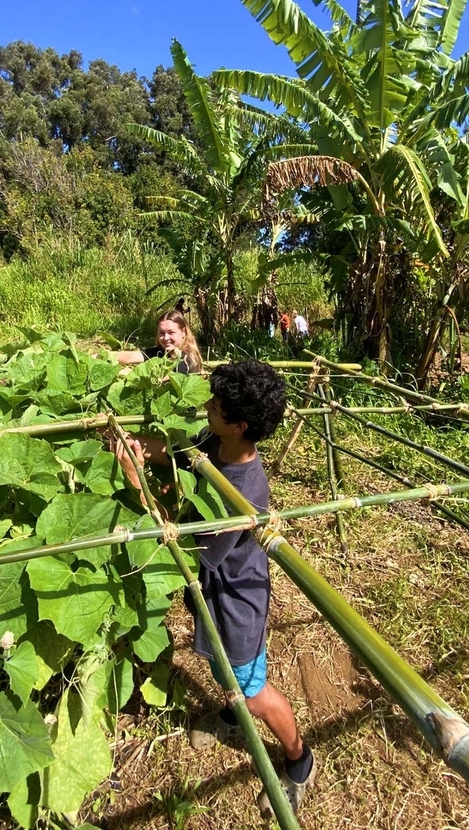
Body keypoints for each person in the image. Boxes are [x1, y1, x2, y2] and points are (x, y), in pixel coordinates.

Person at [112, 360, 316, 815]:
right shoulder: (217, 443)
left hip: (236, 601)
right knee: (228, 674)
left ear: (239, 424)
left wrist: (134, 480)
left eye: (216, 406)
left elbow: (185, 548)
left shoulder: (243, 494)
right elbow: (181, 454)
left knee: (256, 689)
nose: (206, 406)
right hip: (214, 590)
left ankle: (299, 759)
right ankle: (231, 710)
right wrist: (145, 449)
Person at [115, 310, 203, 374]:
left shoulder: (188, 357)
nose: (165, 338)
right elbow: (131, 356)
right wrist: (105, 355)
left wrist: (128, 373)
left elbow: (168, 376)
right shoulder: (162, 352)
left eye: (171, 332)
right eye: (161, 333)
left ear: (183, 332)